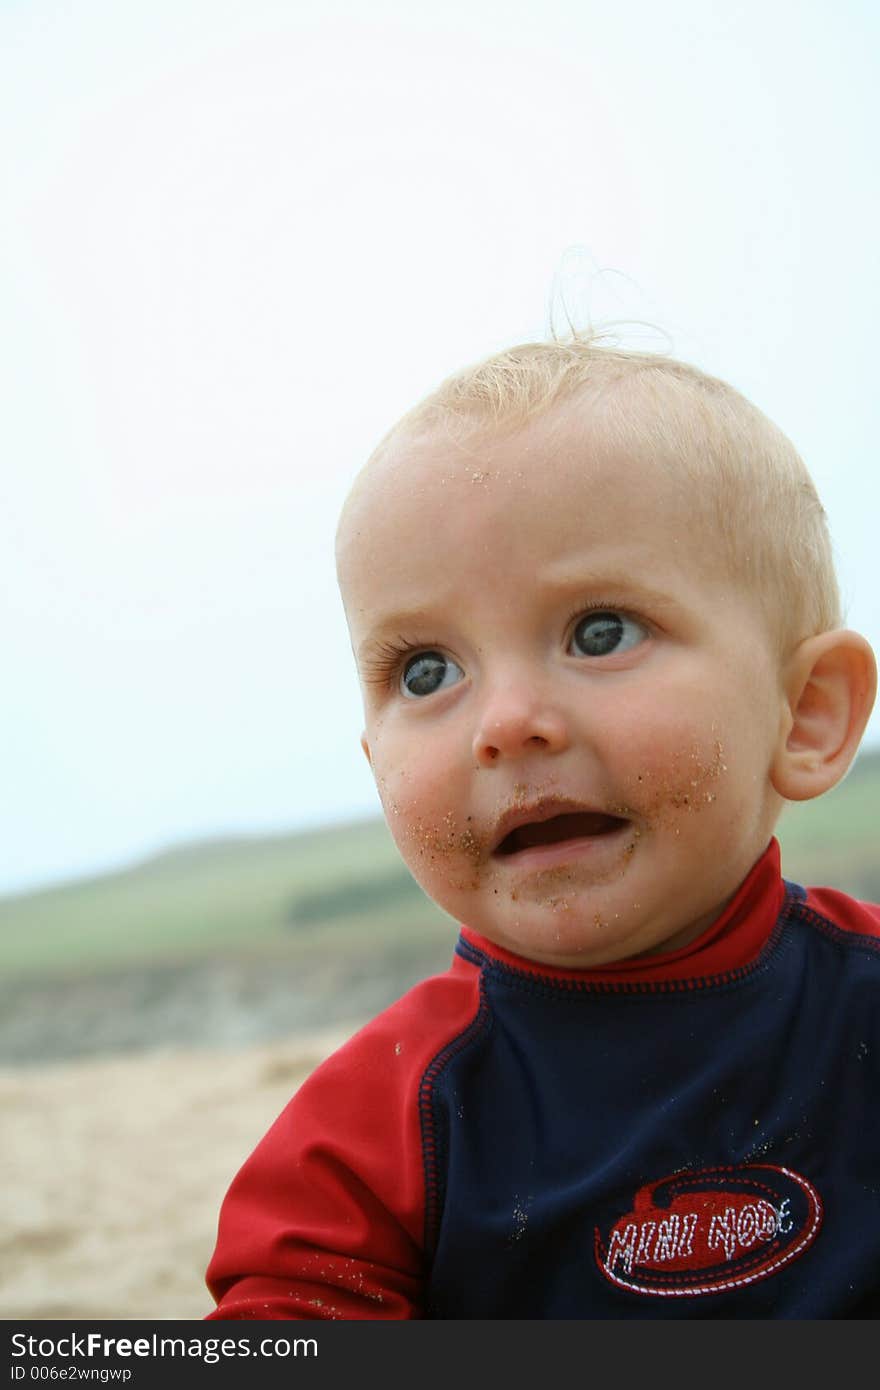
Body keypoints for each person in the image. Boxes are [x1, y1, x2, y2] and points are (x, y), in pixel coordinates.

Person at [205, 337, 879, 1319]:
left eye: (598, 631)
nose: (506, 722)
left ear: (806, 712)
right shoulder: (378, 1129)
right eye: (426, 670)